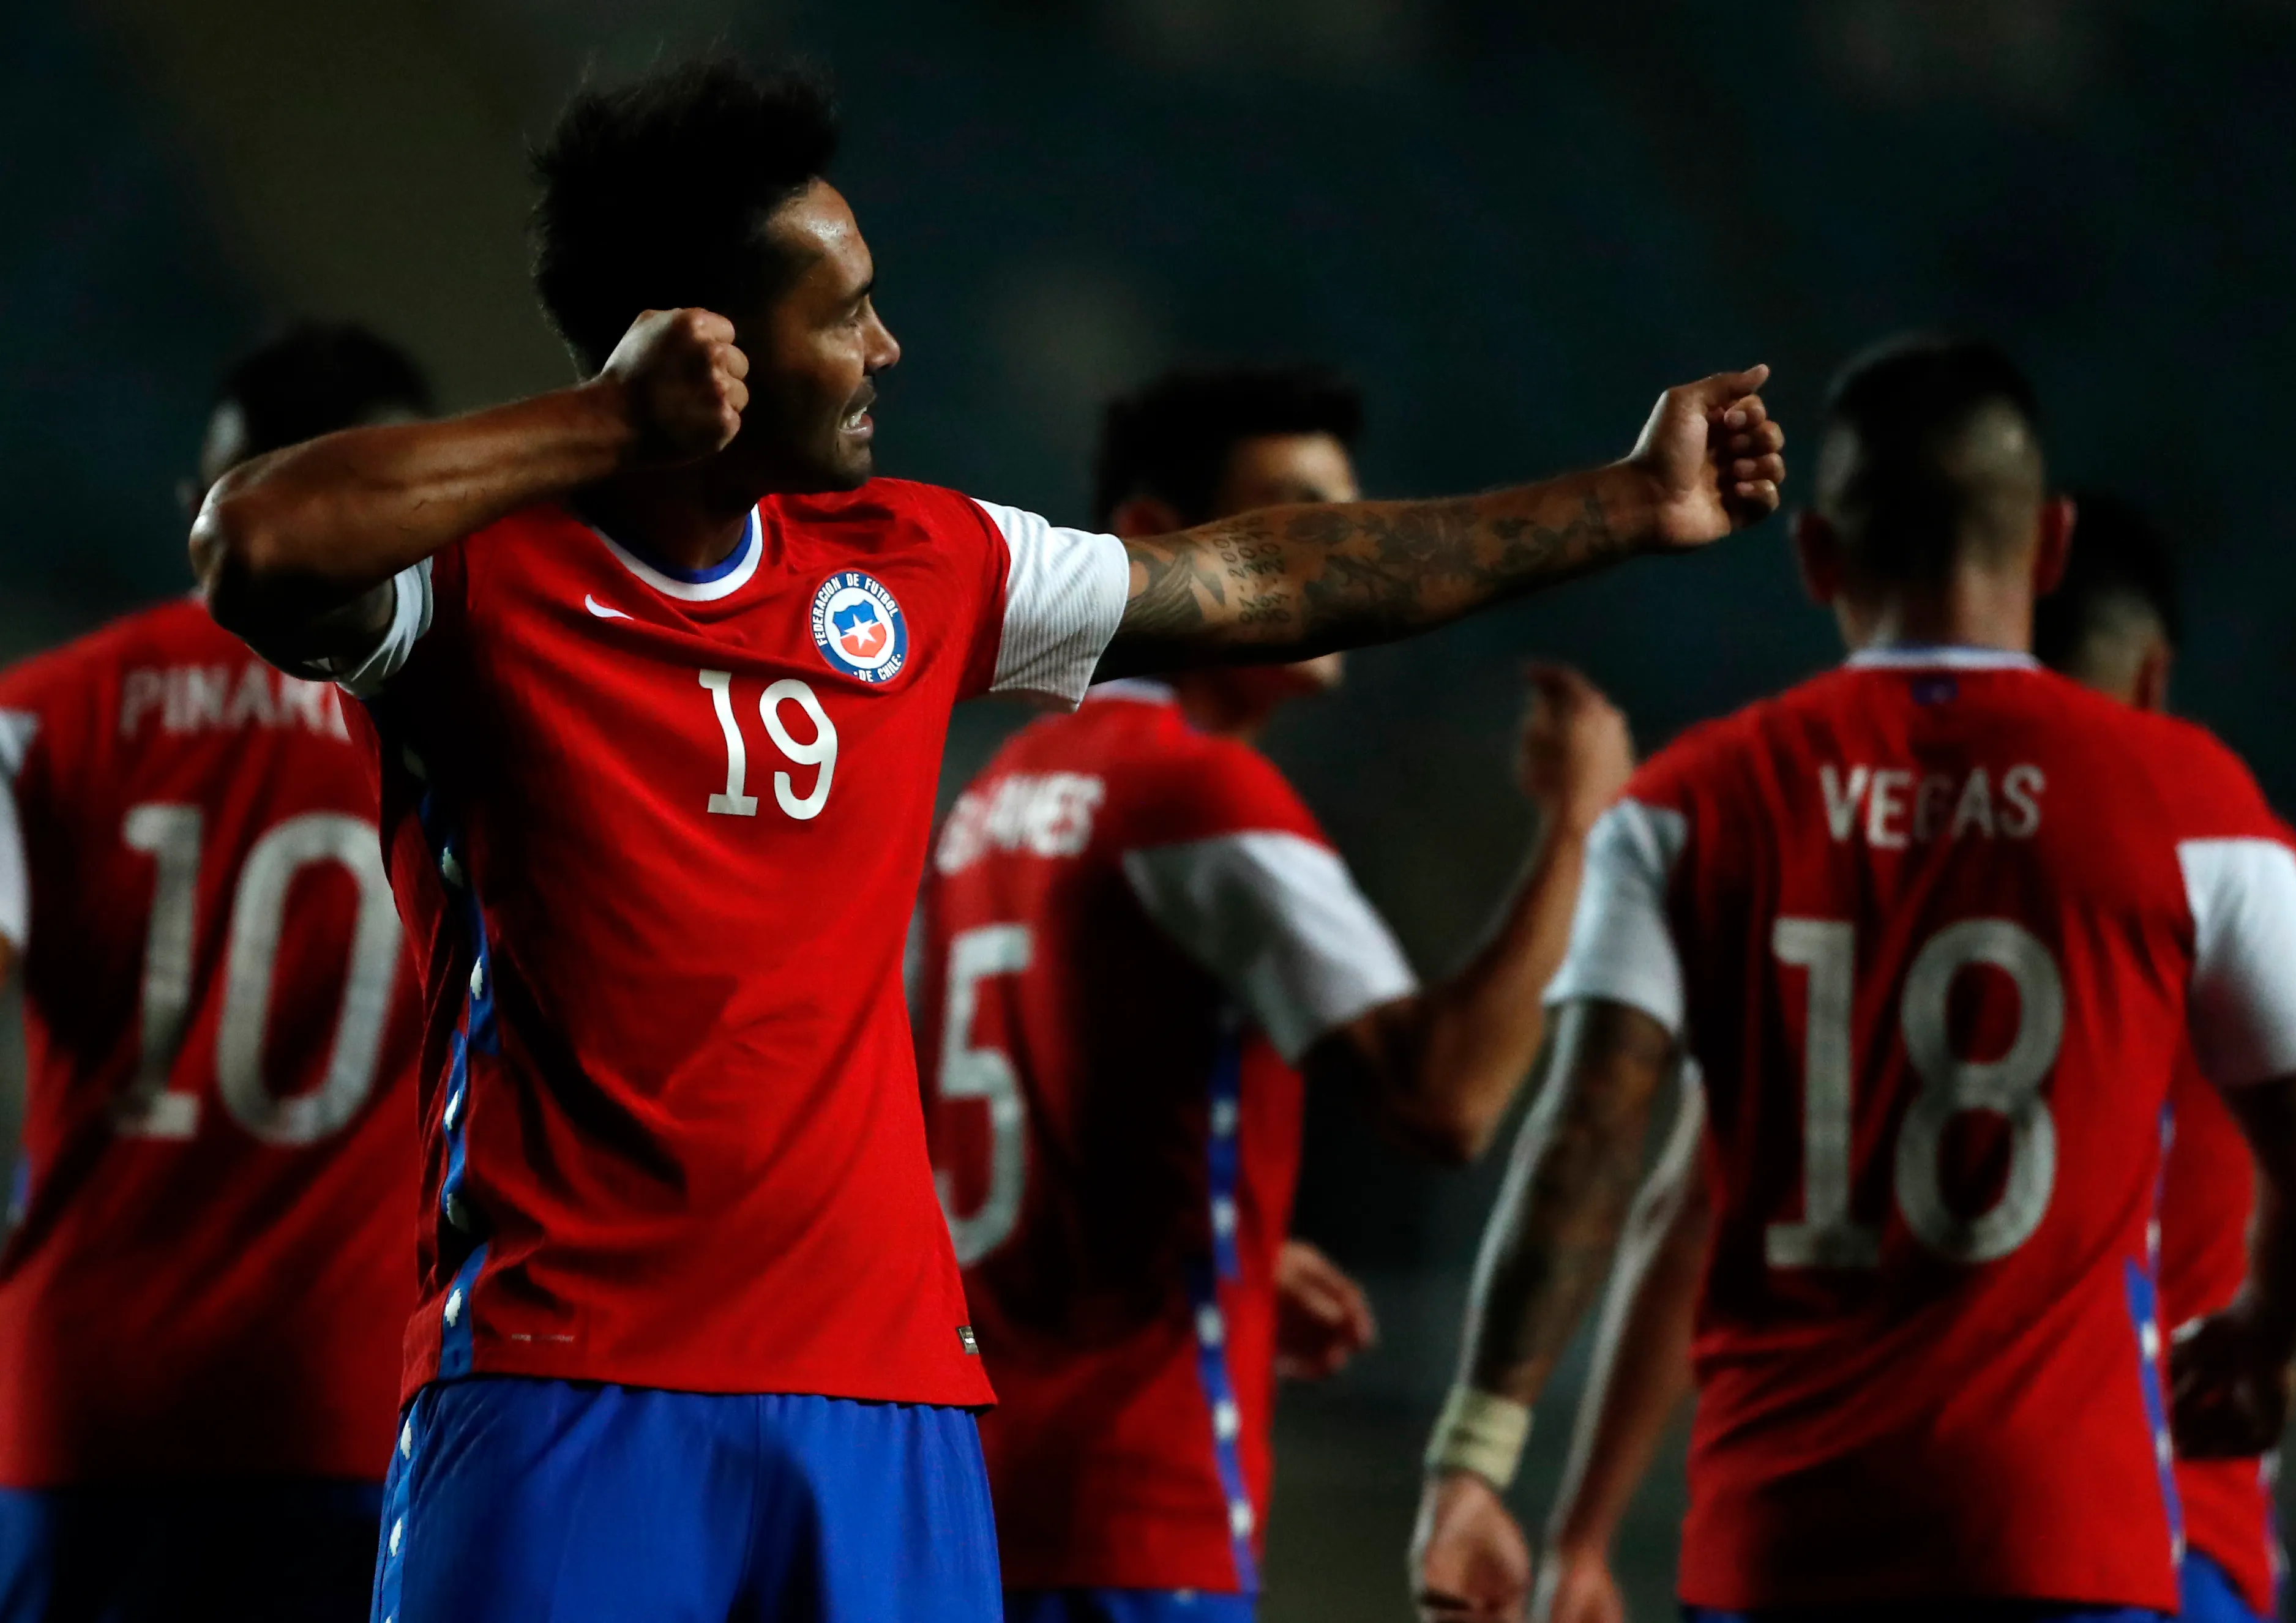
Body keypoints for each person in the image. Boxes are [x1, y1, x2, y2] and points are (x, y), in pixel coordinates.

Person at [183, 60, 1786, 1623]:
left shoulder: (924, 561)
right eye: (844, 309)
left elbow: (1269, 578)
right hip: (558, 1378)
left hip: (883, 1397)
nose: (887, 341)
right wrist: (603, 423)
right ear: (708, 348)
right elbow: (252, 540)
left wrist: (1627, 505)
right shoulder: (470, 590)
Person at [1407, 334, 2296, 1623]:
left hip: (1784, 1545)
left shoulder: (1687, 807)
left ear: (1816, 558)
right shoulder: (2188, 806)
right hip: (2061, 1542)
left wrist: (1478, 1460)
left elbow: (1587, 1142)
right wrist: (2264, 1332)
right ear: (2047, 548)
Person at [916, 365, 1634, 1623]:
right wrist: (1580, 830)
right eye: (1300, 518)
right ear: (1149, 542)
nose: (1347, 558)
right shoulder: (1200, 793)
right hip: (1139, 1513)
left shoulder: (986, 803)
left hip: (961, 1499)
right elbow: (1447, 1097)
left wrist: (1238, 1246)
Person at [0, 324, 432, 1622]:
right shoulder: (473, 721)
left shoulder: (40, 716)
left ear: (208, 507)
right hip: (366, 1413)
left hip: (86, 1414)